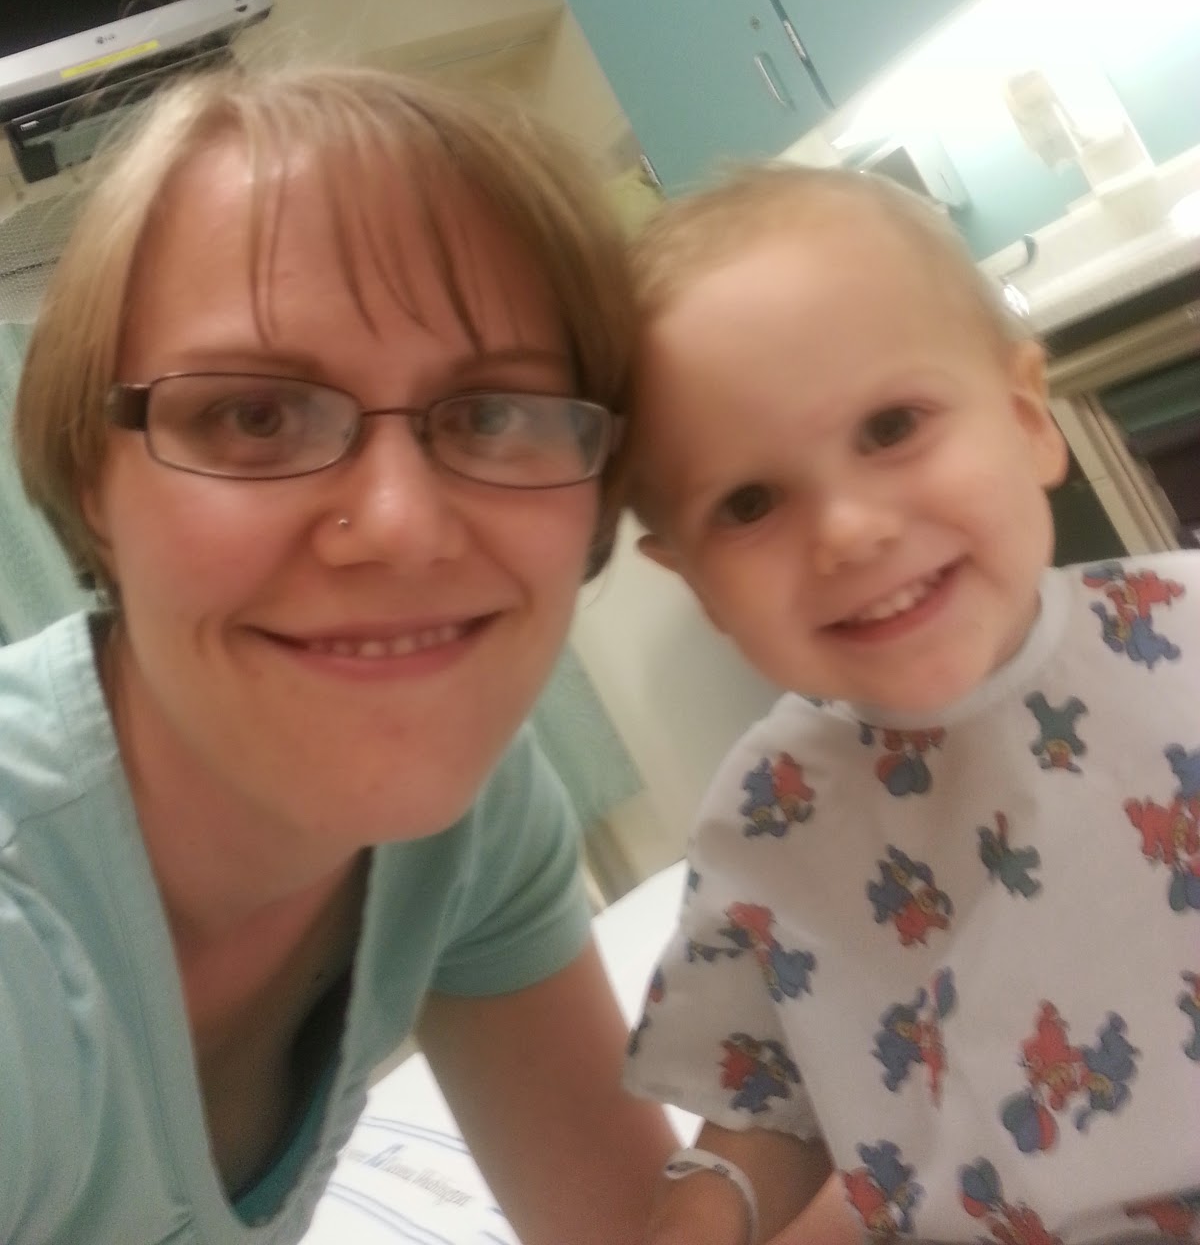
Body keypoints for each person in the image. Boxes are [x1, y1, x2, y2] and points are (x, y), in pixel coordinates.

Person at [0, 63, 675, 1243]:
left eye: (493, 413)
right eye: (254, 415)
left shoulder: (477, 821)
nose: (403, 524)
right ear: (93, 482)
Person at [620, 165, 1200, 1244]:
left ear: (1028, 420)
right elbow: (768, 1099)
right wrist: (701, 1211)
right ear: (694, 580)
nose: (848, 530)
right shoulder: (769, 815)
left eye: (891, 427)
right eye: (749, 502)